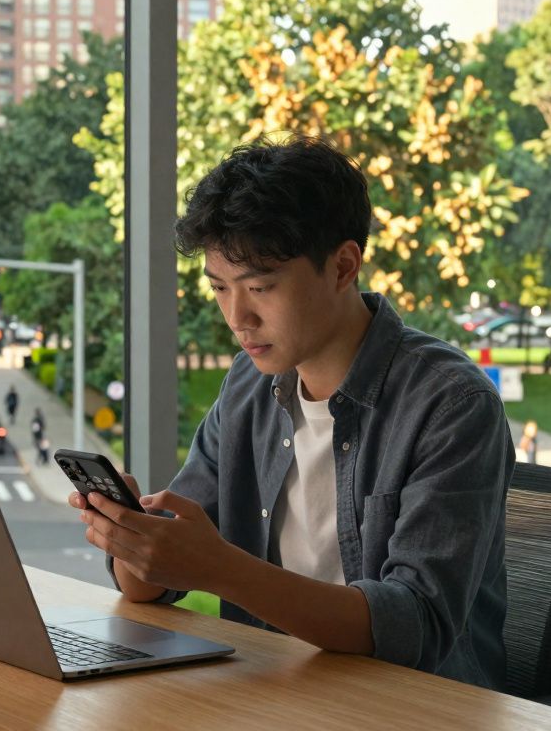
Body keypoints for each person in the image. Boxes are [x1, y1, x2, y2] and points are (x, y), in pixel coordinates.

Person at [68, 135, 513, 691]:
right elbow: (152, 585)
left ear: (344, 266)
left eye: (260, 286)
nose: (238, 316)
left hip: (410, 708)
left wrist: (217, 567)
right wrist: (135, 543)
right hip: (274, 689)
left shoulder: (451, 405)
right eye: (221, 288)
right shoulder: (249, 388)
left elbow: (414, 627)